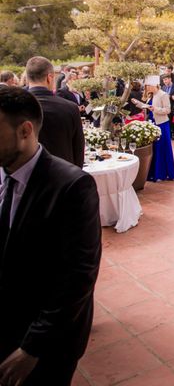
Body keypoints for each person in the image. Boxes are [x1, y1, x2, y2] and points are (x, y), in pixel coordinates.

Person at [0, 87, 101, 386]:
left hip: (46, 339)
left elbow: (78, 276)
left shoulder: (73, 186)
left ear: (25, 130)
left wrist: (32, 348)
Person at [25, 56, 84, 168]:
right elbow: (78, 149)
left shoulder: (14, 108)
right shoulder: (70, 108)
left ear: (28, 78)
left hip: (26, 178)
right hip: (64, 175)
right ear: (49, 77)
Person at [142, 76, 174, 182]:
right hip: (152, 123)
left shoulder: (163, 94)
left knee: (161, 148)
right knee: (154, 148)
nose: (147, 89)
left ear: (154, 85)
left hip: (161, 124)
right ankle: (152, 173)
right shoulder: (151, 95)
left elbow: (168, 110)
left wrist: (155, 109)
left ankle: (161, 173)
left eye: (148, 86)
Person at [161, 75, 174, 139]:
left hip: (173, 106)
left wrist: (169, 96)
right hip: (165, 107)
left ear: (170, 79)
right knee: (167, 121)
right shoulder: (163, 87)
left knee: (173, 122)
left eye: (166, 79)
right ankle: (169, 135)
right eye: (163, 80)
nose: (164, 81)